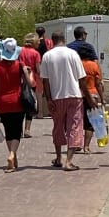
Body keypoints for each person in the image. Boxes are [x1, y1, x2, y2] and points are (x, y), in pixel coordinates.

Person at [39, 31, 90, 171]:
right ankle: (69, 161)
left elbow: (45, 81)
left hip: (56, 97)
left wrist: (48, 99)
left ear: (52, 40)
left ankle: (58, 157)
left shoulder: (47, 56)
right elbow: (81, 79)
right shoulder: (73, 54)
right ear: (64, 39)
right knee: (74, 126)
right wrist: (89, 98)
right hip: (74, 95)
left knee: (58, 126)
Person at [0, 38, 31, 173]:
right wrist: (28, 72)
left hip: (3, 102)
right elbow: (30, 83)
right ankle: (12, 154)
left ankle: (13, 158)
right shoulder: (20, 65)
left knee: (8, 131)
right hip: (17, 101)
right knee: (17, 131)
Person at [75, 43, 104, 154]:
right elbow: (98, 84)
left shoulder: (77, 65)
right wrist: (102, 98)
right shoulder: (94, 66)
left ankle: (76, 144)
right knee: (90, 122)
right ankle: (86, 147)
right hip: (92, 95)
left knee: (77, 121)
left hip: (78, 95)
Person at [19, 32, 42, 139]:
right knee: (30, 103)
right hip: (31, 81)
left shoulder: (20, 51)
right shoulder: (36, 53)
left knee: (20, 105)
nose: (39, 43)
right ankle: (27, 129)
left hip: (19, 80)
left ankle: (19, 129)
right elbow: (38, 70)